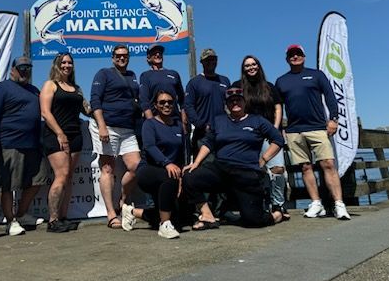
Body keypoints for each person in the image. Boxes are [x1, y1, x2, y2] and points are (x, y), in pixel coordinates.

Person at [182, 86, 285, 229]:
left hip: (247, 173)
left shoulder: (257, 120)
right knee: (190, 176)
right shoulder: (219, 121)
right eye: (231, 101)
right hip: (221, 169)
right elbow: (208, 143)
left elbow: (278, 140)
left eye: (238, 100)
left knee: (253, 221)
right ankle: (207, 216)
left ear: (244, 102)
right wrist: (196, 163)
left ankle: (276, 215)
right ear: (227, 104)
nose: (235, 103)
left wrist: (265, 158)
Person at [275, 44, 351, 220]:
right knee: (305, 167)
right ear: (287, 59)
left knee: (328, 165)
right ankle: (316, 203)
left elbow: (330, 96)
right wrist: (280, 129)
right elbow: (278, 107)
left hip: (317, 128)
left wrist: (333, 119)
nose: (295, 57)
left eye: (298, 54)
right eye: (291, 55)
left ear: (304, 56)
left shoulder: (317, 75)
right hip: (294, 131)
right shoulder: (281, 81)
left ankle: (339, 204)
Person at [0, 56, 44, 236]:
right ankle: (10, 221)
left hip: (33, 144)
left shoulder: (34, 90)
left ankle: (21, 214)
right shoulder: (1, 89)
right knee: (7, 184)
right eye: (21, 68)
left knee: (37, 180)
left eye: (28, 68)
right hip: (9, 144)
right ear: (12, 70)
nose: (25, 71)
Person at [89, 45, 142, 229]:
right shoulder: (103, 74)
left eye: (125, 56)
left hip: (127, 129)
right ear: (113, 58)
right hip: (107, 126)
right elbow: (95, 99)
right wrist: (102, 125)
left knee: (136, 166)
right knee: (107, 169)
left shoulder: (132, 76)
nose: (122, 58)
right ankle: (111, 214)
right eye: (118, 56)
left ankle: (122, 199)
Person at [121, 90, 185, 239]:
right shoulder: (150, 124)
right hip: (148, 171)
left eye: (170, 101)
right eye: (162, 102)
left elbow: (181, 154)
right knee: (170, 177)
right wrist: (167, 163)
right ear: (155, 105)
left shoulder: (178, 125)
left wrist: (181, 174)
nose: (166, 105)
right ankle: (164, 226)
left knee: (180, 219)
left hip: (170, 172)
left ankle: (132, 212)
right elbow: (150, 147)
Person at [233, 55, 290, 220]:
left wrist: (275, 128)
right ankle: (262, 204)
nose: (251, 67)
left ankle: (278, 203)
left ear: (258, 66)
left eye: (253, 64)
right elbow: (232, 107)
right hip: (248, 136)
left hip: (269, 135)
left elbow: (278, 108)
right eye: (247, 65)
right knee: (256, 171)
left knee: (278, 169)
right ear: (243, 69)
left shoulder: (269, 87)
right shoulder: (238, 86)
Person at [40, 52, 91, 233]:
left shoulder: (76, 89)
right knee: (61, 176)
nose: (67, 66)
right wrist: (60, 134)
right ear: (57, 65)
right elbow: (45, 113)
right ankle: (52, 220)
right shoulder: (50, 85)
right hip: (56, 136)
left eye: (70, 63)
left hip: (76, 136)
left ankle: (63, 217)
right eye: (63, 62)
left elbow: (88, 110)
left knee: (69, 178)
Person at [184, 48, 230, 158]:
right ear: (202, 62)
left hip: (222, 132)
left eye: (213, 59)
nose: (211, 62)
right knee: (204, 168)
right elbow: (188, 106)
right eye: (207, 60)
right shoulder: (194, 83)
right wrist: (201, 125)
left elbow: (231, 104)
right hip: (203, 135)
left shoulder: (225, 81)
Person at [139, 44, 186, 124]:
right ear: (148, 58)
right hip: (156, 120)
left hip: (174, 121)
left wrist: (184, 120)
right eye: (154, 53)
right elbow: (144, 102)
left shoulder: (174, 73)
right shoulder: (145, 75)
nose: (158, 54)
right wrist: (152, 124)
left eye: (160, 52)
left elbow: (182, 100)